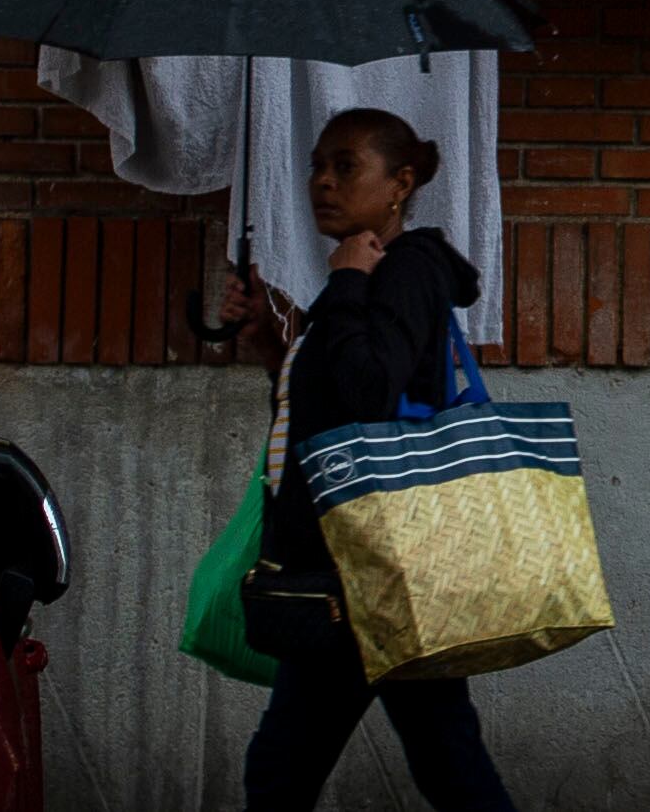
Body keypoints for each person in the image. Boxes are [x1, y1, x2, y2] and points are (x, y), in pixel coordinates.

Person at [221, 108, 516, 812]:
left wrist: (348, 282)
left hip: (368, 570)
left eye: (346, 165)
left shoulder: (402, 269)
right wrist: (270, 342)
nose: (322, 180)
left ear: (400, 183)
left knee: (284, 771)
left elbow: (367, 387)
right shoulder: (374, 270)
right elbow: (326, 412)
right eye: (318, 164)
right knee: (445, 763)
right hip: (370, 569)